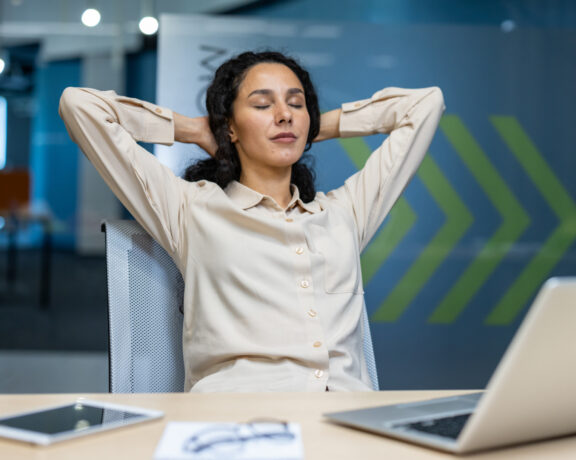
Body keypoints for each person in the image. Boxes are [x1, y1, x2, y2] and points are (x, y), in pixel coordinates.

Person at [59, 50, 445, 392]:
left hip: (343, 422)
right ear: (229, 126)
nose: (283, 115)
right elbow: (80, 107)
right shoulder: (190, 210)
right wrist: (195, 129)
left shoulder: (343, 214)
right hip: (238, 421)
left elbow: (425, 105)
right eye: (262, 105)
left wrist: (311, 129)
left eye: (296, 104)